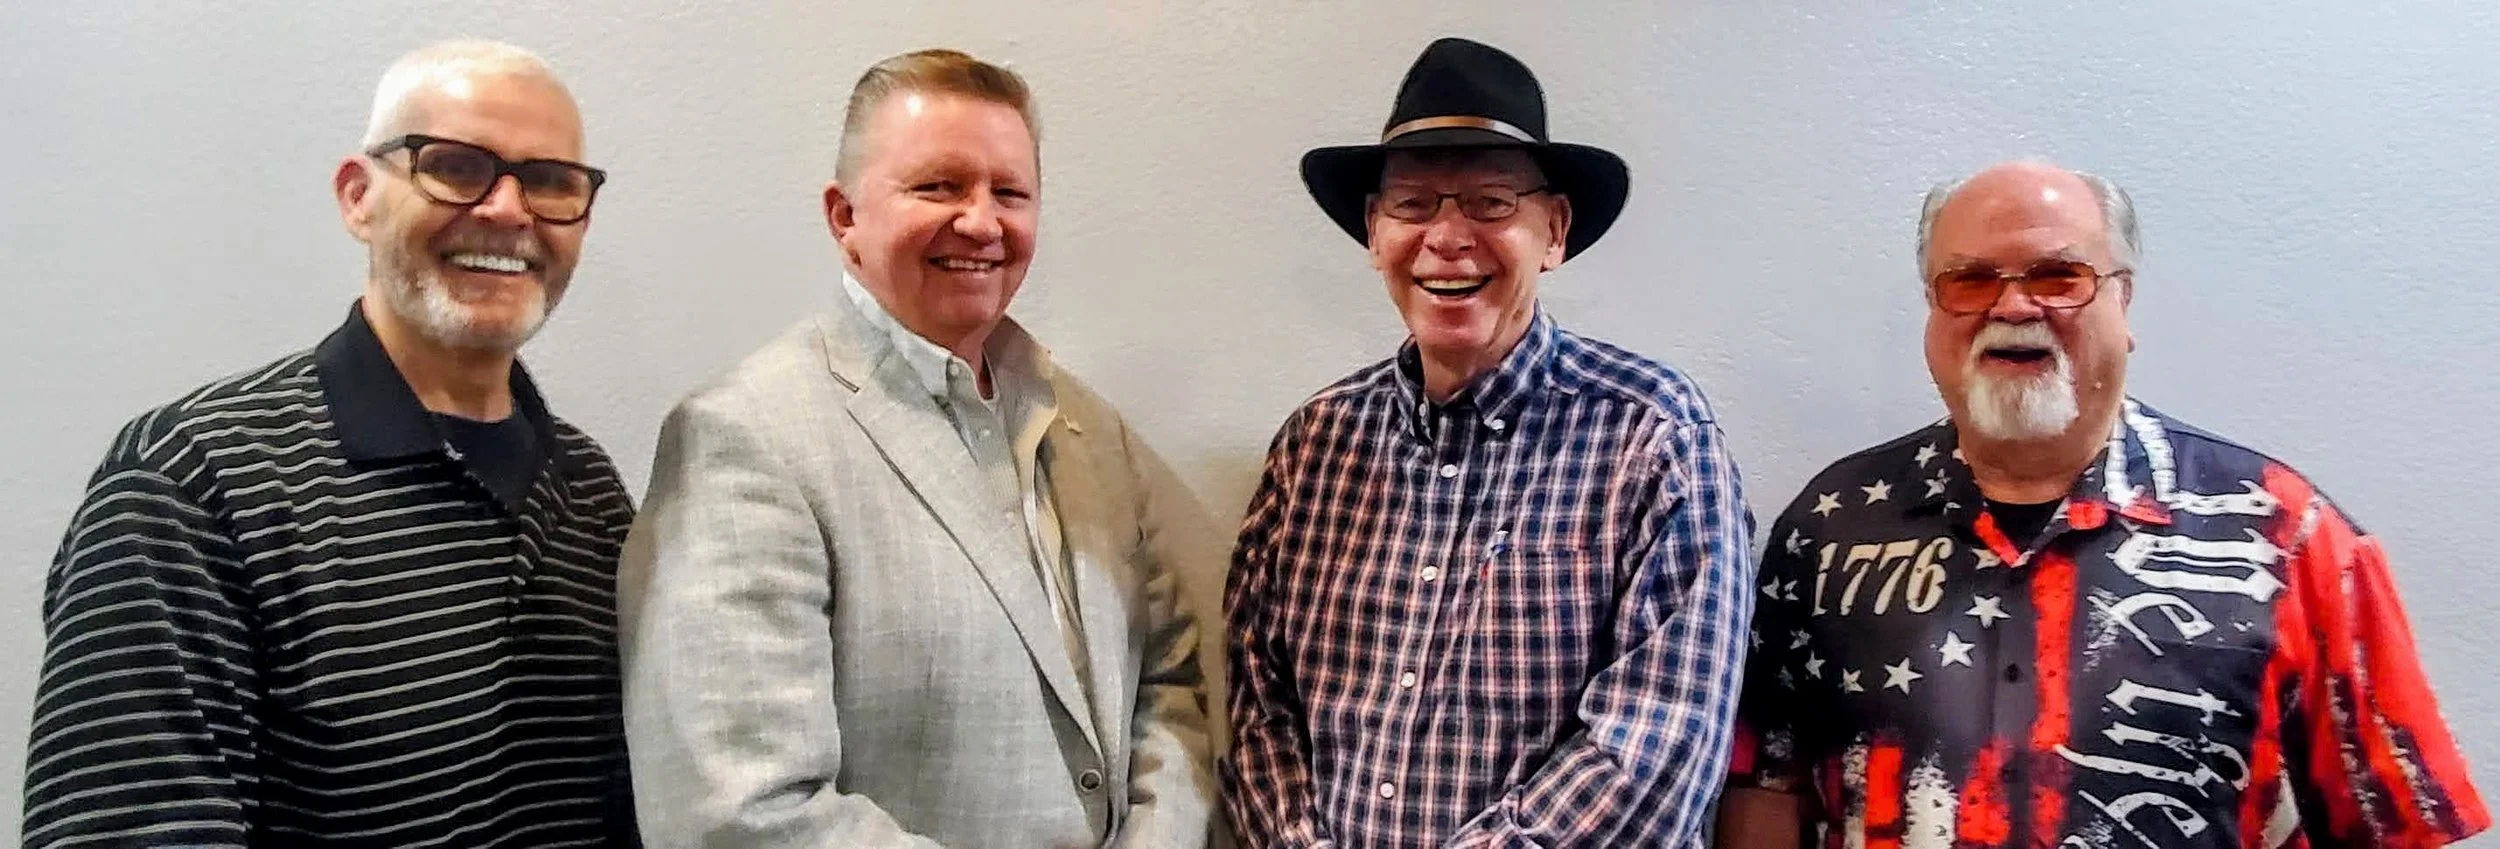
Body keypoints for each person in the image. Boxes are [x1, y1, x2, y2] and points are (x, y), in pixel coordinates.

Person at [1717, 160, 2490, 849]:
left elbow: (2391, 820)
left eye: (2058, 275)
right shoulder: (1830, 525)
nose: (2013, 306)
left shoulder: (2288, 533)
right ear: (1933, 309)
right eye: (1971, 279)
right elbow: (1766, 795)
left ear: (2123, 301)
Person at [23, 39, 638, 848]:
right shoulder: (188, 485)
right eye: (456, 165)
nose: (508, 210)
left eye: (552, 180)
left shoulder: (589, 488)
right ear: (358, 196)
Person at [617, 47, 1221, 848]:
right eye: (938, 185)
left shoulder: (1088, 430)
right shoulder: (744, 438)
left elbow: (1168, 687)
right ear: (845, 217)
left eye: (1010, 191)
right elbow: (739, 813)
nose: (981, 220)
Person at [1223, 36, 1757, 848]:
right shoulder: (1314, 444)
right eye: (1412, 203)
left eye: (1491, 203)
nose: (1447, 236)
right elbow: (1257, 702)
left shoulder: (1656, 437)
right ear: (1374, 232)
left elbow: (1658, 746)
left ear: (1555, 231)